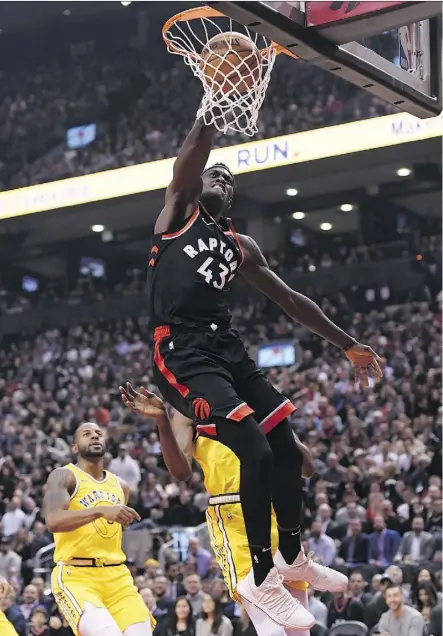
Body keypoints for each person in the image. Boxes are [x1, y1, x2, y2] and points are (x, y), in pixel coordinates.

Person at [147, 111, 382, 624]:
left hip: (225, 346)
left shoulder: (240, 245)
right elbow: (190, 159)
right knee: (251, 443)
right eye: (215, 174)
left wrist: (349, 344)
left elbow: (293, 301)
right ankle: (260, 577)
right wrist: (210, 110)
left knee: (280, 437)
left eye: (229, 181)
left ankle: (294, 558)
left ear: (232, 201)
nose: (220, 180)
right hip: (182, 351)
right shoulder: (178, 212)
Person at [120, 384, 313, 636]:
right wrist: (162, 423)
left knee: (299, 628)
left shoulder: (256, 395)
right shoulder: (189, 409)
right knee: (272, 627)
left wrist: (270, 423)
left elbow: (306, 467)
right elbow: (180, 472)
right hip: (233, 515)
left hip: (276, 512)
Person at [42, 421, 155, 636]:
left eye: (98, 433)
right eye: (86, 434)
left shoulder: (121, 485)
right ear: (75, 447)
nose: (94, 436)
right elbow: (53, 520)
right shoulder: (64, 476)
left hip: (117, 575)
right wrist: (100, 511)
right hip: (77, 575)